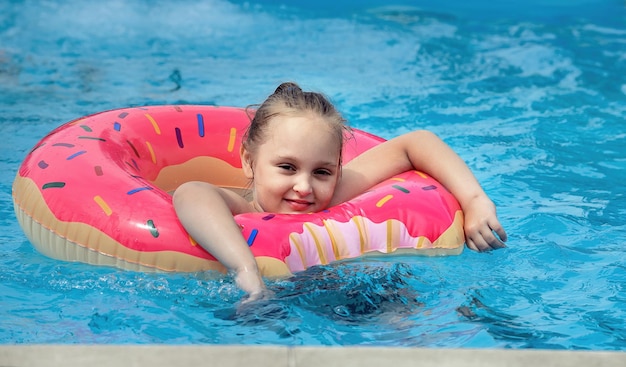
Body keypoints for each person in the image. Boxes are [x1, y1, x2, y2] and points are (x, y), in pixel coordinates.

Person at [173, 82, 507, 300]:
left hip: (356, 293)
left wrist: (476, 200)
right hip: (278, 299)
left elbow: (415, 143)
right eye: (286, 167)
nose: (304, 187)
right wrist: (247, 271)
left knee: (402, 304)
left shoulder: (333, 195)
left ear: (337, 170)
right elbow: (191, 193)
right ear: (249, 161)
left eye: (322, 172)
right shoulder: (245, 209)